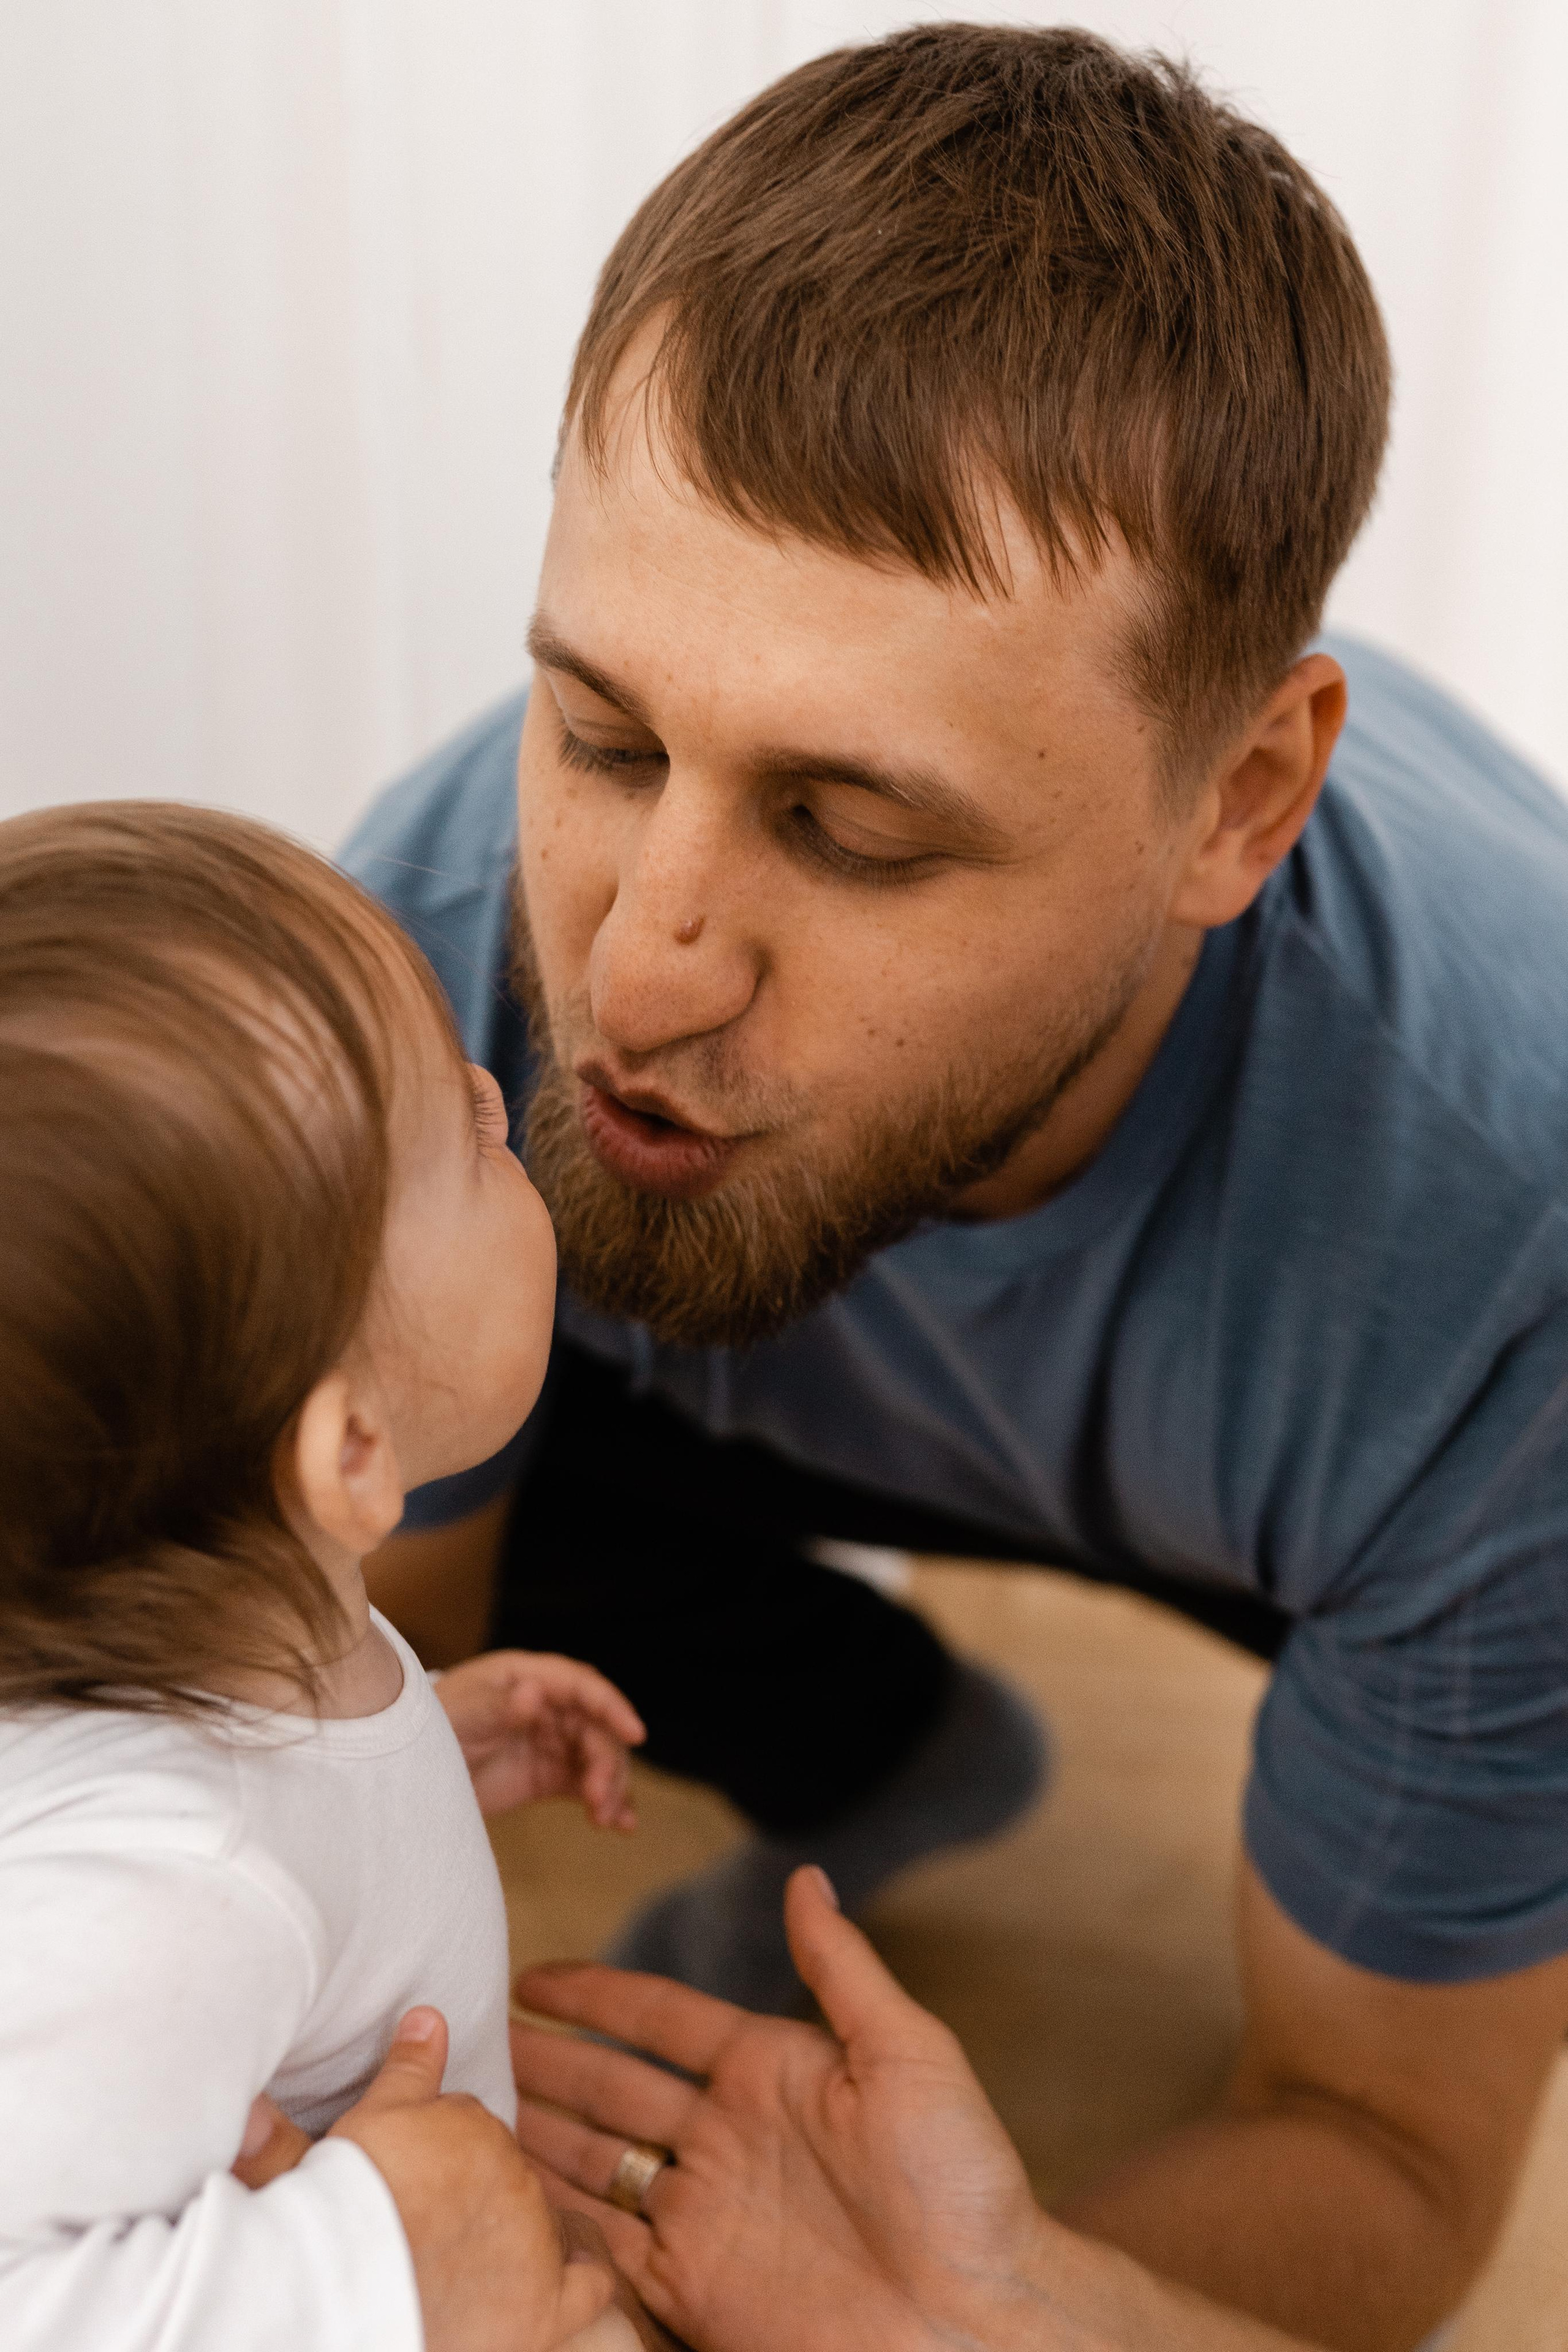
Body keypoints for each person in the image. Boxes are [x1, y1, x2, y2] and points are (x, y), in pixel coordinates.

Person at [344, 24, 1568, 2352]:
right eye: (605, 734)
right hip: (704, 1391)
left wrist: (954, 2322)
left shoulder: (1515, 1247)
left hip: (1365, 1461)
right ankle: (880, 1733)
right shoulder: (426, 971)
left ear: (1238, 802)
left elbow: (1387, 2145)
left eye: (853, 827)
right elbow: (328, 1710)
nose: (637, 964)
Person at [0, 802, 654, 2352]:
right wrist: (388, 2261)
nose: (503, 1090)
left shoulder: (226, 1656)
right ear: (351, 1456)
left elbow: (258, 1824)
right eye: (465, 1133)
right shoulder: (171, 1891)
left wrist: (404, 1742)